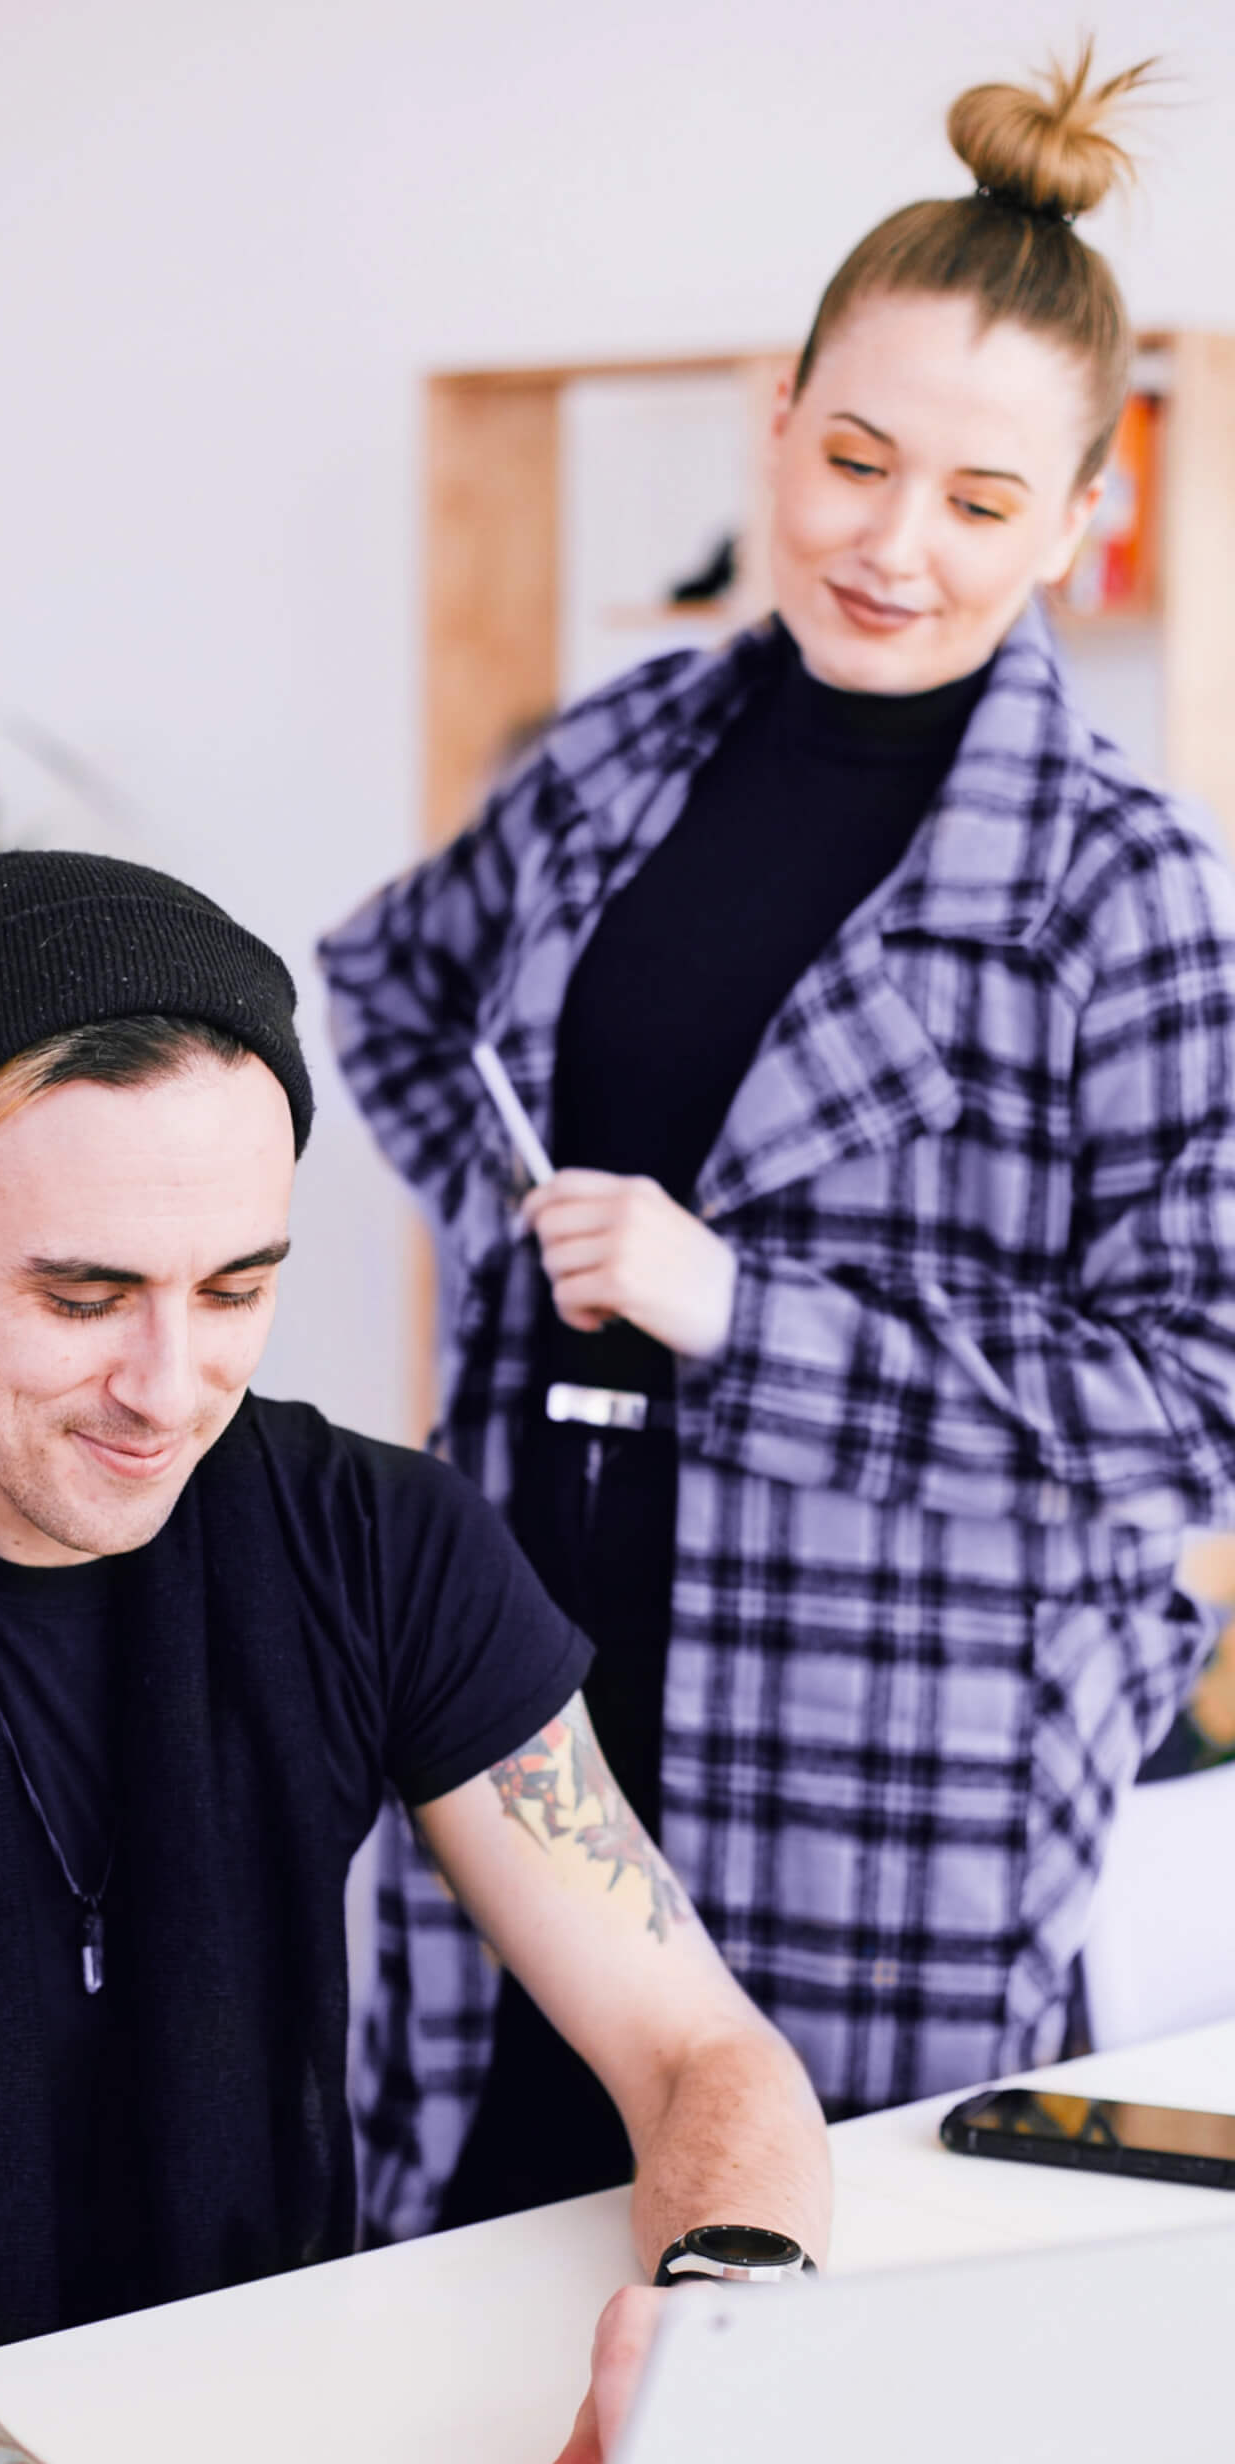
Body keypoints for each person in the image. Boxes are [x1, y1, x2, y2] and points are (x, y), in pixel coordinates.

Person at [0, 851, 830, 2464]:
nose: (170, 1388)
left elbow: (699, 2048)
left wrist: (723, 2318)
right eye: (84, 1296)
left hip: (280, 2402)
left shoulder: (378, 1541)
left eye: (234, 1290)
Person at [320, 46, 1235, 2242]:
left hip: (890, 1744)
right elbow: (388, 983)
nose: (893, 546)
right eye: (852, 460)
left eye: (982, 503)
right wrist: (525, 1250)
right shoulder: (627, 742)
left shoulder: (1135, 889)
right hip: (529, 1647)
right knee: (467, 2238)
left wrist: (743, 1311)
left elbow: (1200, 1405)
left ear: (1078, 516)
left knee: (806, 2277)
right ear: (779, 419)